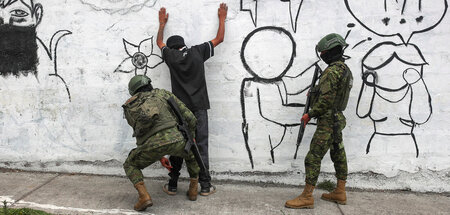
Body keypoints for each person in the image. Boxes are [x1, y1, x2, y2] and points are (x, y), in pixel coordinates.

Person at [156, 3, 228, 196]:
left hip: (180, 111)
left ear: (172, 48)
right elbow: (220, 38)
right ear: (184, 44)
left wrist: (161, 23)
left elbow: (159, 43)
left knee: (178, 145)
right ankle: (205, 186)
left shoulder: (170, 56)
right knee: (201, 145)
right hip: (199, 108)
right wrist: (222, 18)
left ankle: (172, 184)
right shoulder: (197, 52)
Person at [285, 33, 353, 209]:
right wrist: (315, 91)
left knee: (313, 156)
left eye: (323, 53)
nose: (322, 56)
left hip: (328, 121)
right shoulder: (345, 70)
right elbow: (334, 94)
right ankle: (340, 191)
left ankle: (307, 196)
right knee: (338, 154)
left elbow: (327, 100)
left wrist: (310, 114)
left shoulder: (331, 71)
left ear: (329, 52)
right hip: (337, 119)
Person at [122, 75, 200, 211]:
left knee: (130, 164)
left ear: (133, 91)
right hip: (177, 140)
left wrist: (159, 155)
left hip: (150, 146)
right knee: (192, 154)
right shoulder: (163, 94)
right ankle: (193, 190)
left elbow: (142, 136)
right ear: (149, 84)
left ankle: (144, 196)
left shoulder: (131, 106)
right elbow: (190, 118)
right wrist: (191, 137)